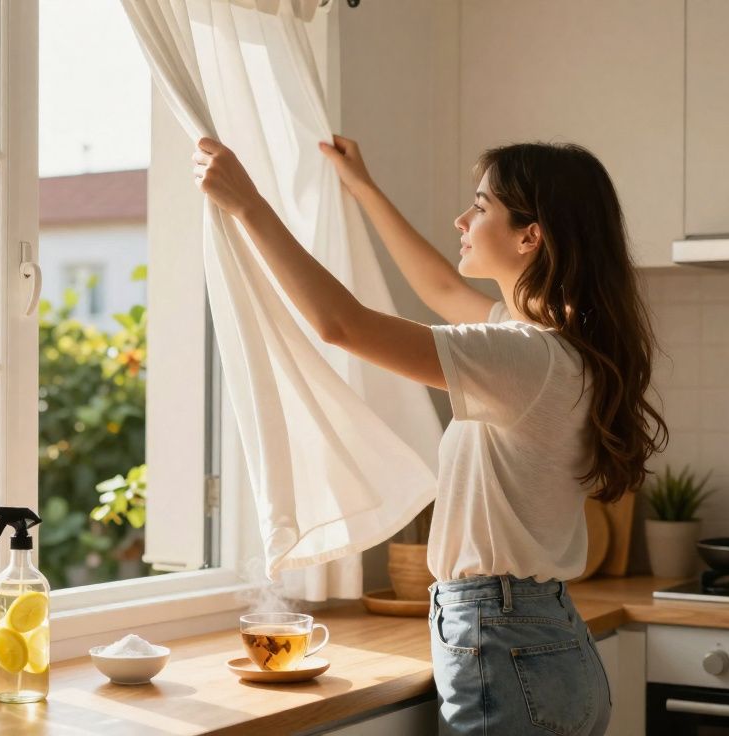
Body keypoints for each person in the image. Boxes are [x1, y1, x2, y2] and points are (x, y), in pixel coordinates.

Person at [192, 133, 666, 735]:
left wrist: (249, 205)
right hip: (547, 646)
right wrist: (361, 186)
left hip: (504, 642)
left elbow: (341, 326)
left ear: (531, 235)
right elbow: (440, 289)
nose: (461, 219)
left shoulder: (524, 358)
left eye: (481, 205)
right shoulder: (560, 348)